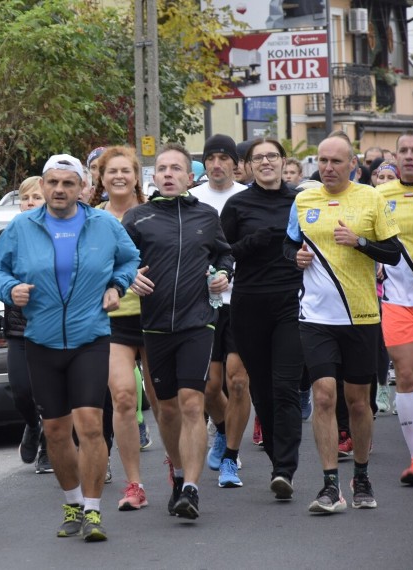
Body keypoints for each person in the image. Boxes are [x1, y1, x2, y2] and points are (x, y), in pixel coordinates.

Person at [0, 153, 139, 542]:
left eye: (68, 183)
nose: (59, 190)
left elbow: (130, 259)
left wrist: (116, 287)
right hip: (42, 339)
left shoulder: (103, 224)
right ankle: (71, 504)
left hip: (90, 336)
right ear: (43, 186)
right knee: (55, 431)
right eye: (52, 183)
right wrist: (10, 290)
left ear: (82, 188)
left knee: (89, 423)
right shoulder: (22, 227)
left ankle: (92, 511)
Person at [283, 132, 401, 514]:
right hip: (316, 317)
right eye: (322, 160)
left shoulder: (371, 198)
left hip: (361, 315)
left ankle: (362, 475)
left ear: (353, 164)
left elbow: (394, 254)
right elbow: (288, 244)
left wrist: (360, 242)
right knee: (323, 395)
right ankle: (330, 485)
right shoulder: (303, 199)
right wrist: (295, 258)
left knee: (358, 403)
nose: (328, 167)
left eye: (336, 161)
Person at [122, 143, 234, 520]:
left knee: (191, 402)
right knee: (166, 409)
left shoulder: (206, 215)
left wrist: (223, 274)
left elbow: (224, 253)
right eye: (162, 168)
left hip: (198, 322)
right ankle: (179, 472)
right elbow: (119, 261)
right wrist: (129, 276)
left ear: (190, 177)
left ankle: (191, 489)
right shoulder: (138, 218)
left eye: (176, 169)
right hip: (153, 327)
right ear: (154, 177)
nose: (168, 173)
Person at [221, 138, 305, 500]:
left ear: (283, 162)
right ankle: (276, 461)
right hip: (249, 304)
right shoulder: (238, 205)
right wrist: (250, 244)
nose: (266, 162)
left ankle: (285, 468)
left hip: (292, 302)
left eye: (272, 156)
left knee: (285, 385)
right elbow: (222, 253)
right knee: (263, 392)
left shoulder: (301, 200)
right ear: (249, 166)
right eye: (259, 158)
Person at [90, 145, 151, 510]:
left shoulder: (153, 212)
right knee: (124, 397)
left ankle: (178, 474)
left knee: (167, 404)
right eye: (111, 171)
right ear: (100, 178)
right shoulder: (91, 219)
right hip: (113, 319)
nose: (118, 177)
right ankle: (135, 484)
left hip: (158, 316)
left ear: (136, 176)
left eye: (125, 170)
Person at [190, 134, 251, 489]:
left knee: (238, 381)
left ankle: (230, 457)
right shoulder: (193, 199)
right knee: (211, 388)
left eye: (223, 158)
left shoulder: (246, 199)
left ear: (235, 164)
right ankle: (225, 429)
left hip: (242, 302)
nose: (216, 165)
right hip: (203, 303)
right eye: (210, 158)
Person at [376, 129, 413, 485]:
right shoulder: (377, 196)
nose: (409, 156)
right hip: (397, 300)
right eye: (403, 151)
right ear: (395, 157)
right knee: (407, 376)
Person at [5, 176, 52, 473]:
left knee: (48, 391)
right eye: (25, 198)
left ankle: (49, 444)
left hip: (51, 325)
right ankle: (32, 425)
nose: (30, 202)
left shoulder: (61, 232)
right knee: (21, 389)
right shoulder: (12, 233)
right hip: (18, 325)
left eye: (36, 197)